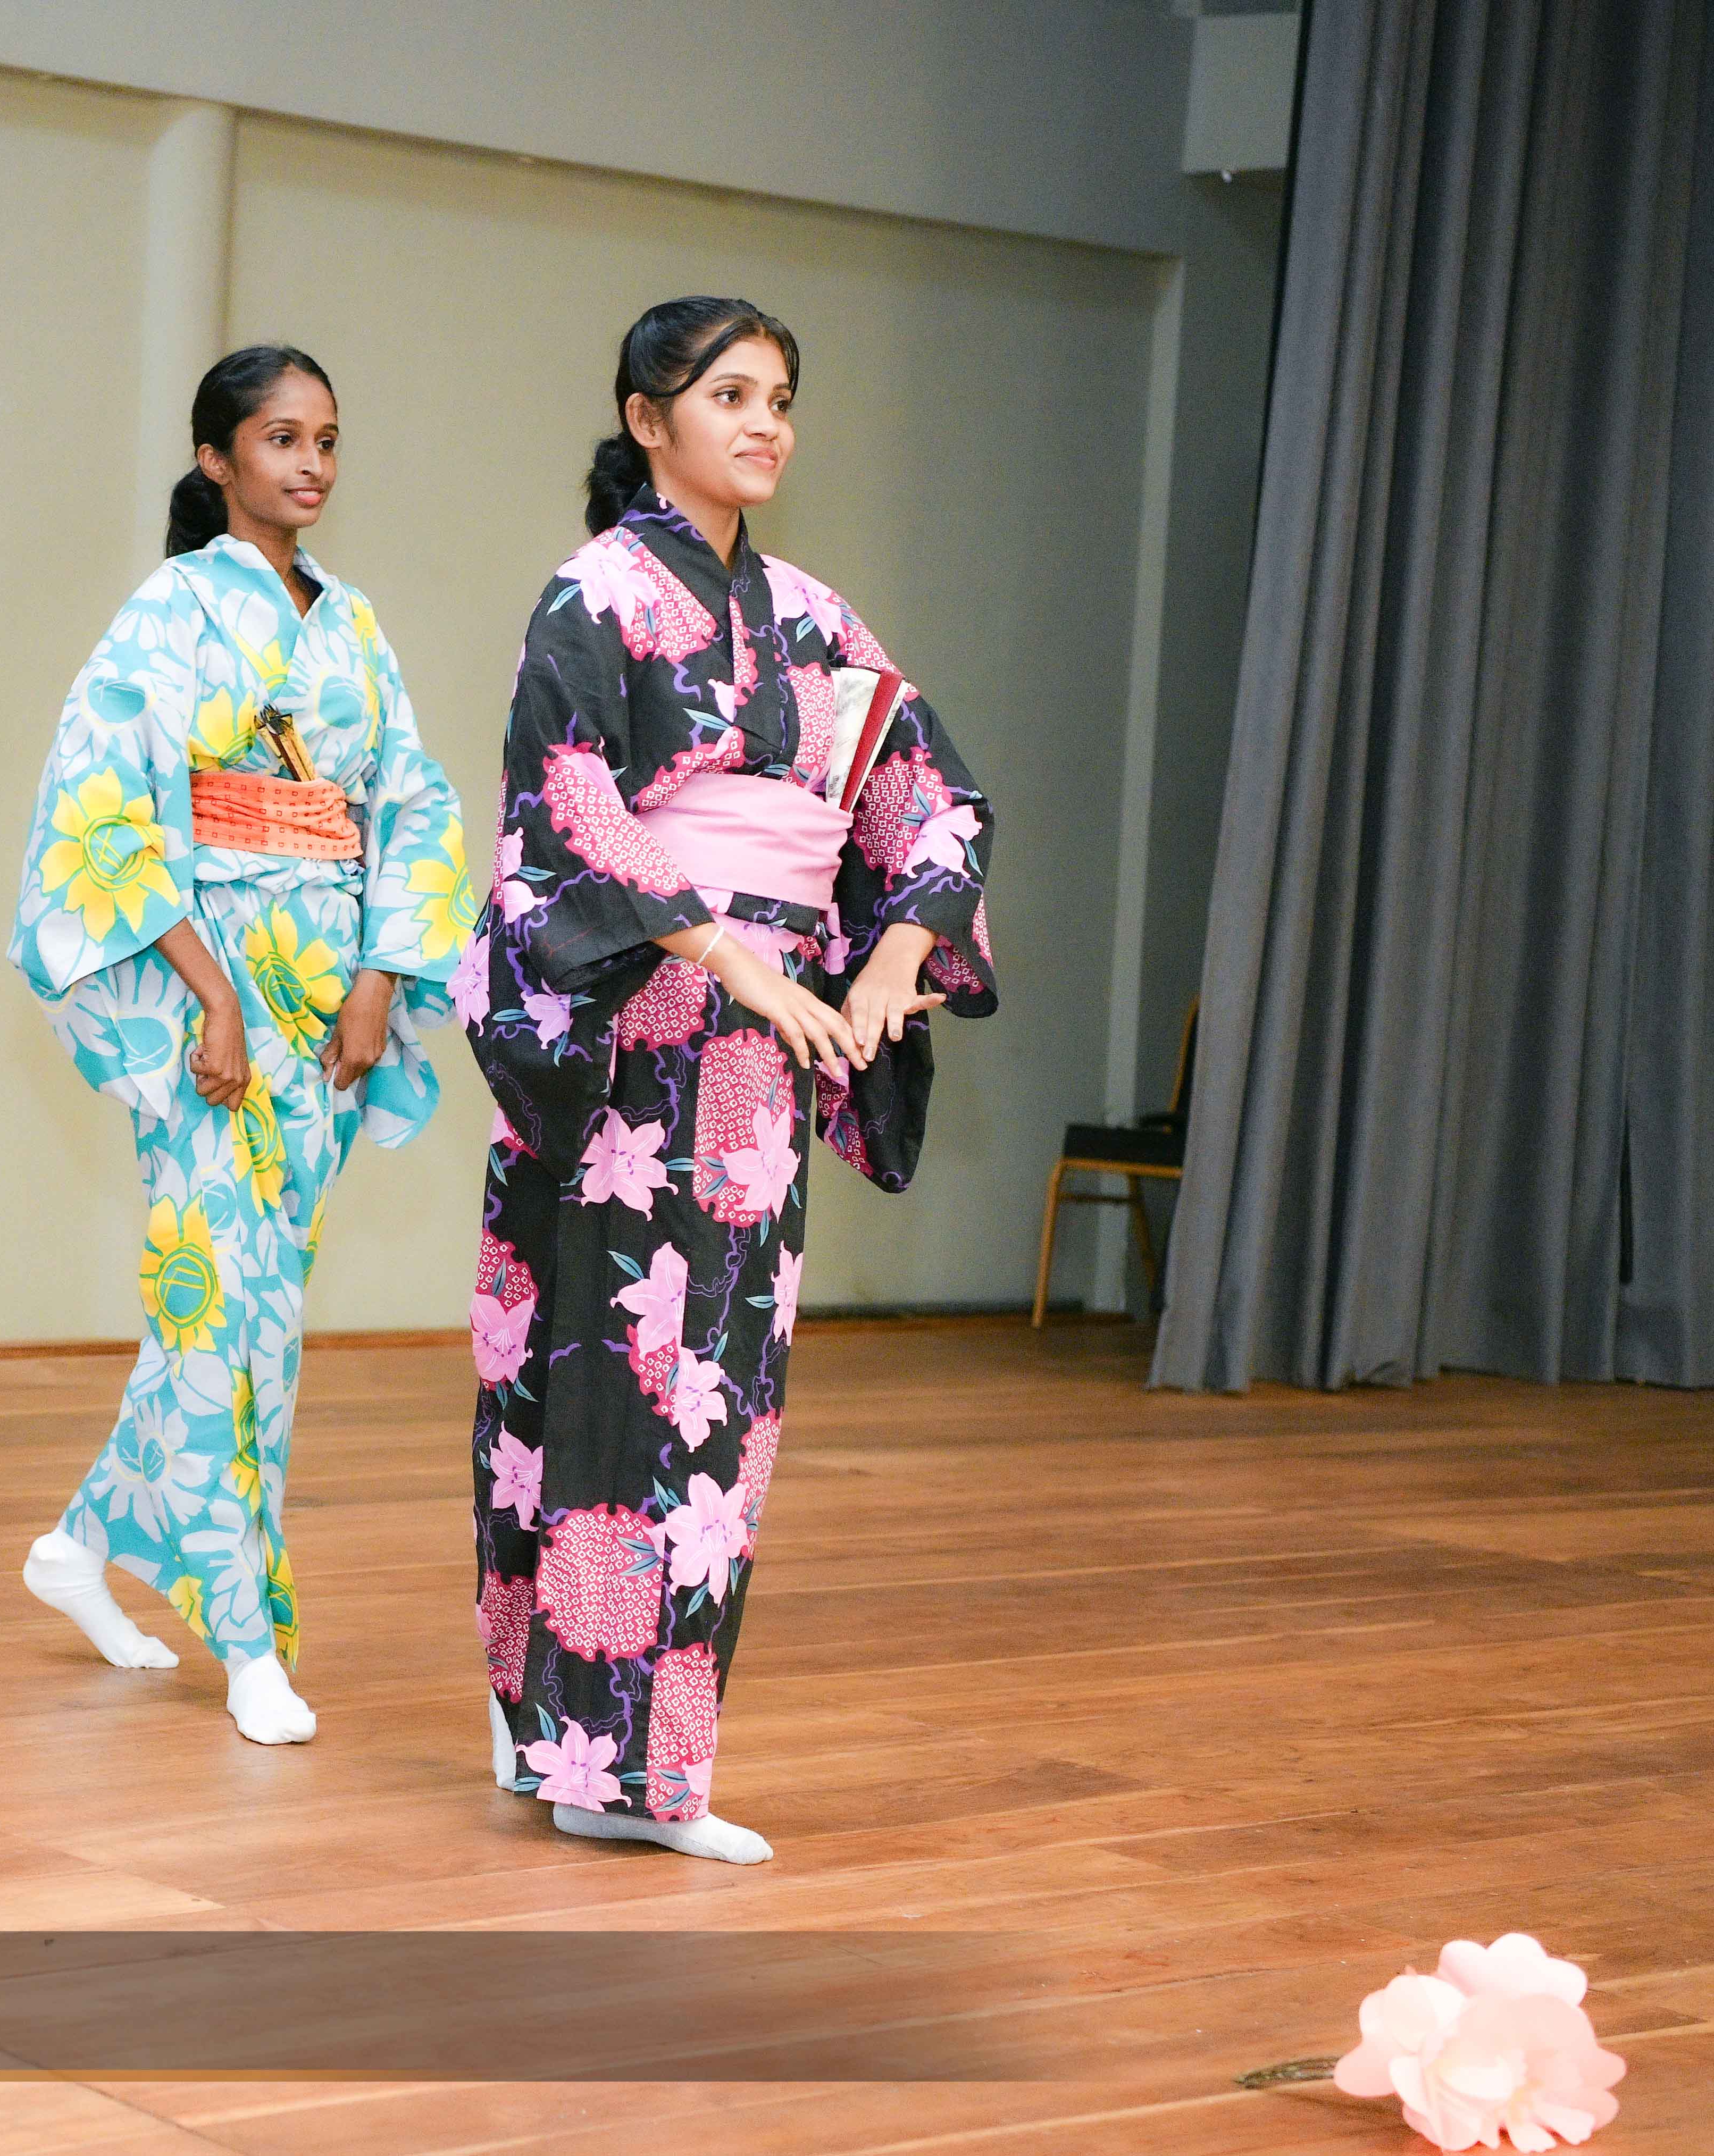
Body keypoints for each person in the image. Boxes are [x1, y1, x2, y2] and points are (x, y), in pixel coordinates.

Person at [464, 298, 998, 1859]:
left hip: (757, 1067)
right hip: (629, 1038)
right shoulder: (596, 594)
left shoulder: (814, 615)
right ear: (648, 419)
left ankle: (595, 1748)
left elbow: (929, 795)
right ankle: (593, 1758)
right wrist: (739, 963)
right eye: (729, 395)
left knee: (716, 1393)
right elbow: (571, 808)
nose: (764, 424)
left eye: (780, 398)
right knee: (608, 1382)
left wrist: (893, 962)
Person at [9, 347, 471, 1744]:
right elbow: (101, 812)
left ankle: (81, 1546)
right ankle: (247, 1632)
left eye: (325, 439)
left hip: (324, 995)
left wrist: (380, 980)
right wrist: (210, 994)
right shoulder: (168, 612)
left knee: (252, 1308)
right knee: (223, 1305)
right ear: (216, 459)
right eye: (280, 438)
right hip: (203, 992)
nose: (309, 464)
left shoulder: (355, 623)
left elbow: (412, 804)